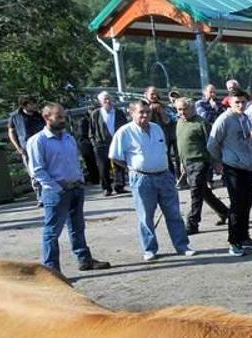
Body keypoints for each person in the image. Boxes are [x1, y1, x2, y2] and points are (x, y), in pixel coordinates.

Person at [26, 103, 111, 273]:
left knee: (77, 227)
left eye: (64, 116)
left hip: (75, 189)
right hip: (56, 192)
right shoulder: (38, 141)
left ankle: (84, 259)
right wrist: (56, 188)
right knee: (52, 232)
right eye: (58, 117)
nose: (63, 120)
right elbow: (37, 170)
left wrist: (80, 180)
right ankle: (51, 269)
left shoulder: (68, 137)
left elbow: (74, 161)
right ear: (46, 117)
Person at [109, 100, 194, 262]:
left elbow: (164, 151)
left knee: (174, 213)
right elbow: (114, 156)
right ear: (131, 113)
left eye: (147, 112)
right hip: (142, 178)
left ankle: (182, 246)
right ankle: (149, 249)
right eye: (141, 112)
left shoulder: (156, 128)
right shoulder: (124, 132)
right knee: (145, 216)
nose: (145, 115)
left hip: (164, 176)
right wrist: (132, 167)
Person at [208, 90, 252, 257]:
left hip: (247, 167)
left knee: (247, 204)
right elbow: (212, 143)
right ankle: (234, 241)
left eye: (243, 102)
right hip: (233, 168)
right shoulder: (224, 120)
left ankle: (244, 237)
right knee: (236, 206)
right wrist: (218, 161)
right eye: (237, 102)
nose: (240, 105)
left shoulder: (244, 118)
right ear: (230, 102)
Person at [174, 97, 229, 234]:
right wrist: (182, 162)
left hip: (200, 161)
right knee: (202, 191)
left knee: (195, 192)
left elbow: (212, 144)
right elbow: (180, 145)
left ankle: (192, 223)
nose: (182, 112)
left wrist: (216, 162)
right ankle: (224, 211)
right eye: (179, 109)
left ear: (192, 108)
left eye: (185, 109)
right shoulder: (179, 123)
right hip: (187, 163)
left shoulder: (201, 123)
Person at [88, 92, 128, 196]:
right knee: (103, 167)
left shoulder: (119, 112)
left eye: (109, 98)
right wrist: (94, 144)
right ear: (100, 102)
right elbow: (91, 131)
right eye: (105, 99)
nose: (107, 101)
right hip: (101, 144)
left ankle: (120, 186)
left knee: (119, 165)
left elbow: (125, 128)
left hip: (117, 143)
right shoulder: (95, 114)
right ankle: (107, 188)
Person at [8, 97, 45, 167]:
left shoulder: (40, 115)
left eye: (35, 103)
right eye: (32, 104)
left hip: (42, 146)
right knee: (32, 172)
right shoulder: (15, 116)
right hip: (26, 148)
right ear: (24, 106)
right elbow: (11, 132)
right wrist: (18, 148)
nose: (35, 105)